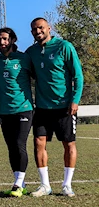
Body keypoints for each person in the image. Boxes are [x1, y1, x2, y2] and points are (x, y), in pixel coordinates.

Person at [26, 17, 83, 197]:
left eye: (41, 28)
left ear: (49, 28)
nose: (38, 31)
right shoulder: (31, 52)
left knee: (69, 144)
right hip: (42, 107)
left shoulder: (64, 47)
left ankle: (67, 185)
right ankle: (45, 185)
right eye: (34, 29)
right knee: (38, 143)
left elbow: (78, 76)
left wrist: (75, 100)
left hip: (64, 107)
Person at [0, 28, 34, 197]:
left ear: (13, 40)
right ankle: (20, 182)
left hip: (24, 109)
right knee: (10, 147)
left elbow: (40, 75)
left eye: (5, 39)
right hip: (4, 111)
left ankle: (17, 184)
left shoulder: (24, 58)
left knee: (19, 144)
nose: (2, 42)